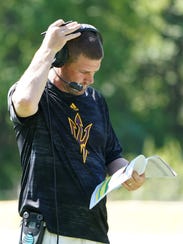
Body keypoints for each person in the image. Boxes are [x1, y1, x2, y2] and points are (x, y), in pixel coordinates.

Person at [8, 19, 145, 244]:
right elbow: (23, 102)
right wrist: (48, 48)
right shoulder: (35, 94)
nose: (90, 80)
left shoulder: (96, 101)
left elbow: (112, 155)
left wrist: (129, 173)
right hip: (48, 231)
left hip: (94, 232)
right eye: (83, 72)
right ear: (59, 61)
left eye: (94, 72)